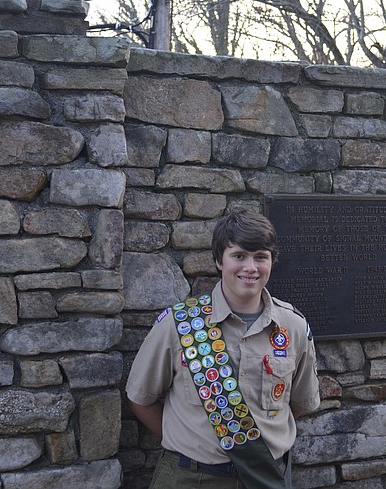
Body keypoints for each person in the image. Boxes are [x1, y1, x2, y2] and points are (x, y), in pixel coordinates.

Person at [126, 208, 321, 489]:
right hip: (192, 478)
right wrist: (187, 440)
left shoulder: (292, 327)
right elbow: (140, 399)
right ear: (219, 260)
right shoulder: (179, 325)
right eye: (239, 256)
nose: (250, 268)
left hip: (266, 477)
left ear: (272, 262)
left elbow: (298, 404)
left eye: (260, 257)